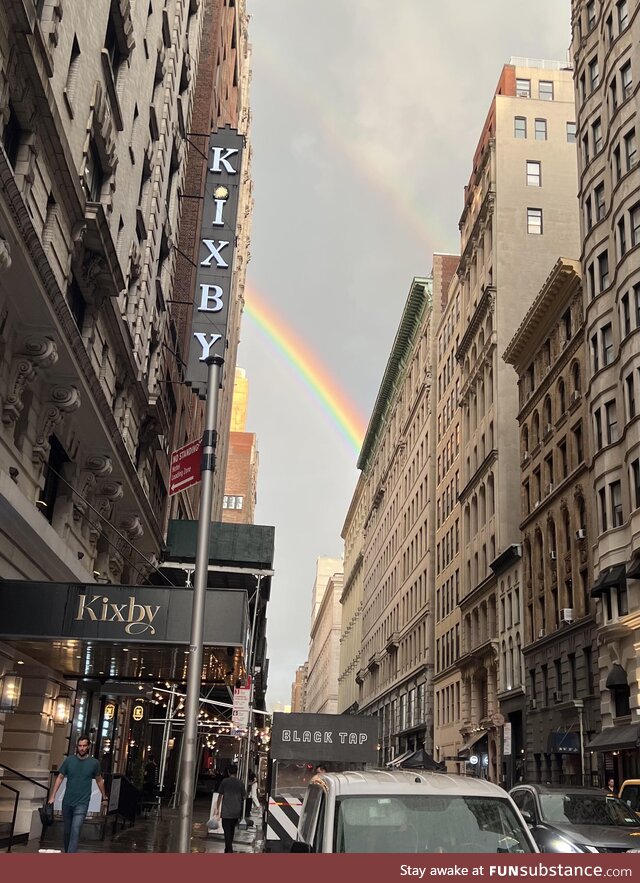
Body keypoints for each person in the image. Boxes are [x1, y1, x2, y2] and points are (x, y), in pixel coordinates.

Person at [48, 736, 107, 853]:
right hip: (67, 801)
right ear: (77, 746)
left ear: (88, 746)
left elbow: (99, 780)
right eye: (80, 746)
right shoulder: (69, 760)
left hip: (82, 802)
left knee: (76, 829)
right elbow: (60, 777)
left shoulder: (94, 763)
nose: (82, 748)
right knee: (67, 831)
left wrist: (104, 796)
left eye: (84, 746)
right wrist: (52, 796)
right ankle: (67, 851)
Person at [214, 763, 246, 853]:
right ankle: (228, 848)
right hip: (236, 811)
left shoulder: (224, 782)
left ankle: (229, 849)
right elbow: (244, 797)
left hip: (226, 812)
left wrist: (217, 809)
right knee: (231, 830)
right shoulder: (240, 783)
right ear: (236, 772)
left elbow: (220, 795)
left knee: (227, 831)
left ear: (228, 772)